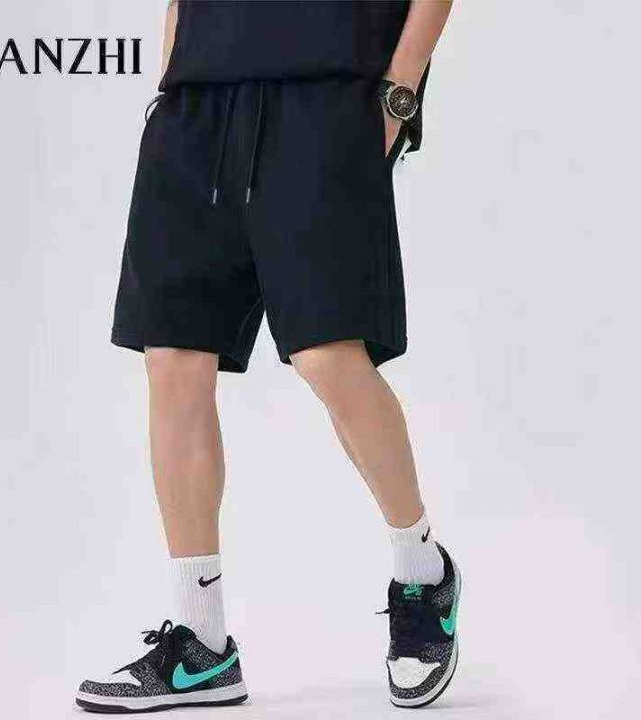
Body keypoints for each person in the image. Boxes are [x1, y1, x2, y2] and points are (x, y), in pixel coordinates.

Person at [76, 0, 457, 713]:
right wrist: (172, 78)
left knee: (326, 353)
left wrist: (399, 95)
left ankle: (422, 572)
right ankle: (202, 645)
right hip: (195, 103)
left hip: (326, 97)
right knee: (173, 358)